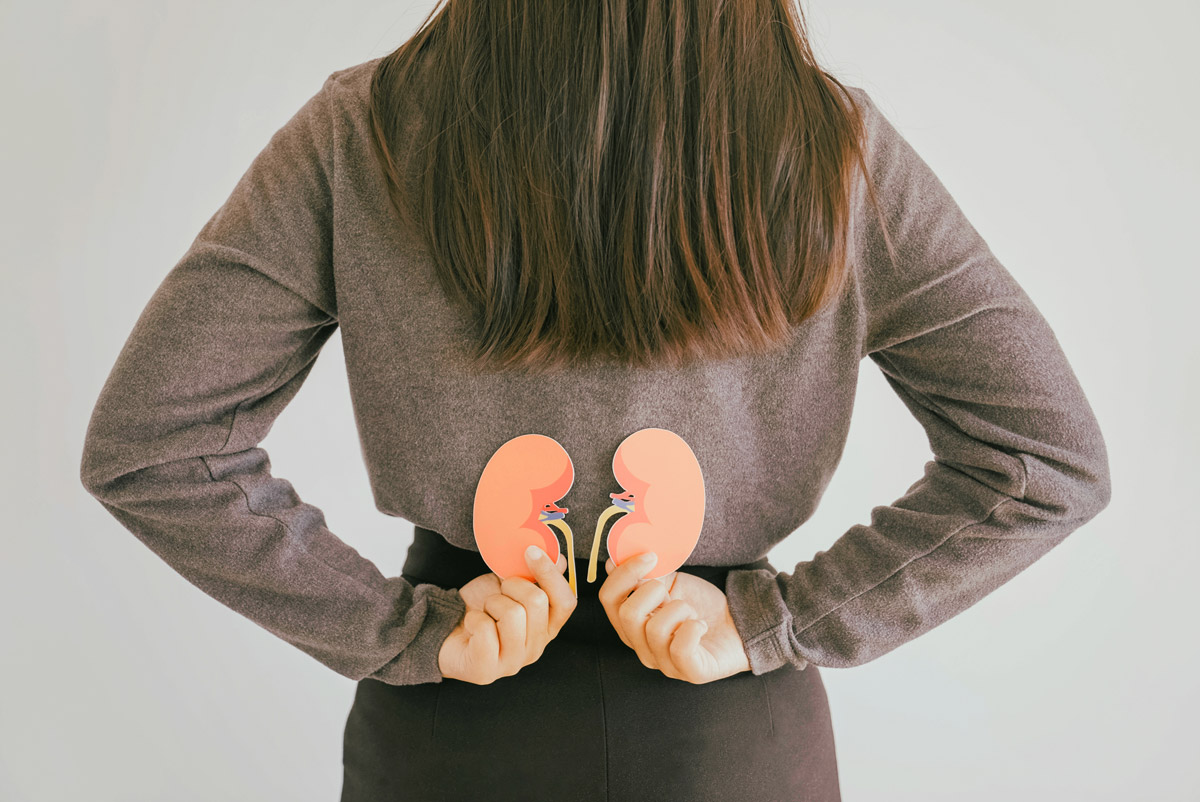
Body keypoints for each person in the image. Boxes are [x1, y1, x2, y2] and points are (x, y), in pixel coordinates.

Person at [79, 2, 1112, 800]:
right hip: (731, 745)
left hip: (454, 733)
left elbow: (153, 446)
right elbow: (1044, 460)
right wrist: (774, 622)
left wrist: (404, 630)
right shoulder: (833, 147)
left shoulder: (364, 134)